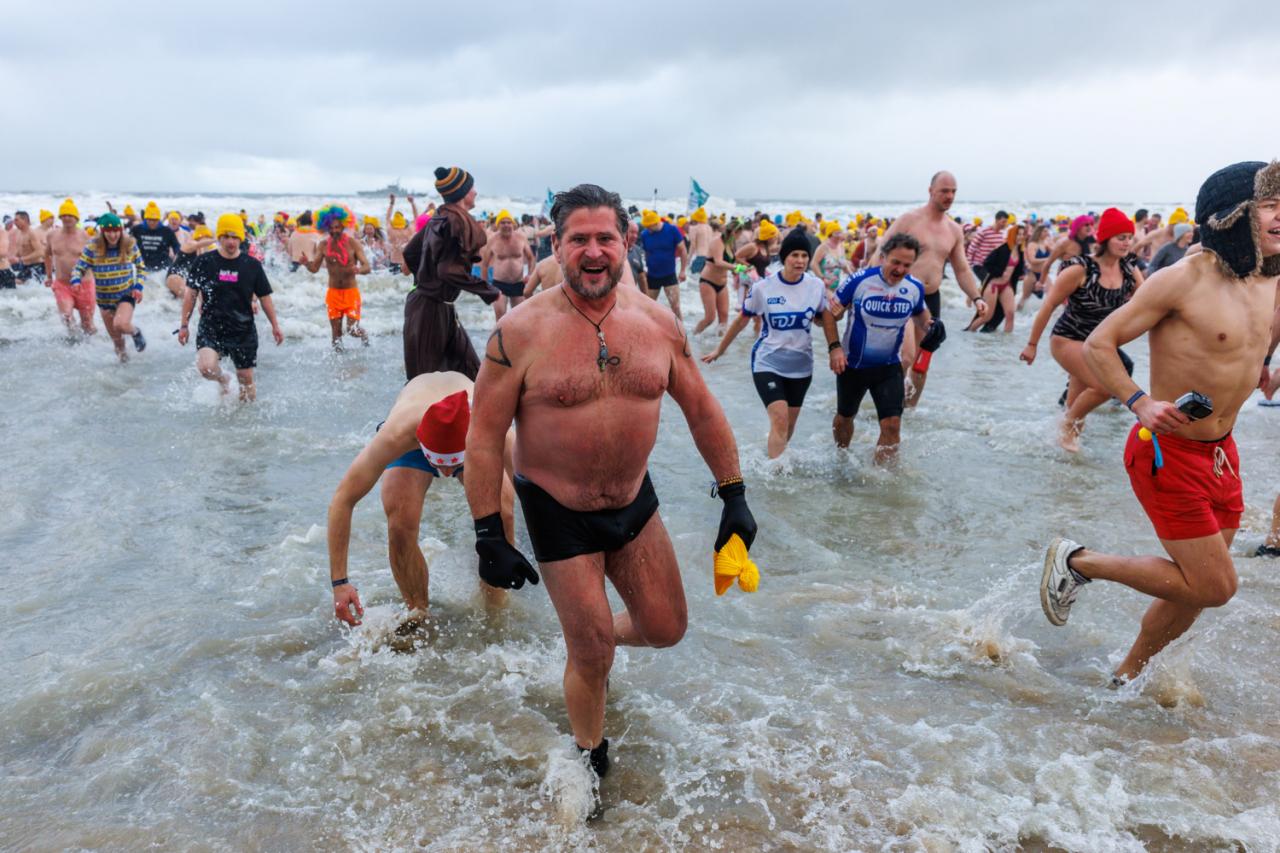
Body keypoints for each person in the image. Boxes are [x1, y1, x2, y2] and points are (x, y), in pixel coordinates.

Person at [463, 184, 756, 778]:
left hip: (633, 503)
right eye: (578, 240)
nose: (592, 252)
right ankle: (590, 757)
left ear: (625, 242)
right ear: (558, 245)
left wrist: (734, 493)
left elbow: (701, 409)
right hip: (556, 507)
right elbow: (483, 436)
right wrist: (488, 533)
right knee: (593, 653)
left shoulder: (658, 323)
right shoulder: (517, 333)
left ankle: (588, 642)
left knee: (666, 628)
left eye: (604, 238)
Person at [1039, 160, 1280, 686]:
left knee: (1193, 588)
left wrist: (1264, 365)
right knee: (1216, 586)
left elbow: (1264, 326)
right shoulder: (1180, 281)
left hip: (1222, 451)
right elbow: (1100, 343)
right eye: (1270, 206)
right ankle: (1080, 561)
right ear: (1232, 216)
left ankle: (1125, 679)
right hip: (1164, 451)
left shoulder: (1271, 278)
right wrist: (1139, 401)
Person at [327, 374, 513, 635]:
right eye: (440, 465)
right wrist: (340, 583)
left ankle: (496, 605)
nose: (447, 475)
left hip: (470, 435)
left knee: (503, 513)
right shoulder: (397, 434)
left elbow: (534, 489)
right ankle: (418, 611)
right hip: (415, 432)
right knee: (400, 524)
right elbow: (342, 500)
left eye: (454, 466)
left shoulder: (492, 426)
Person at [702, 227, 842, 458]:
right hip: (768, 362)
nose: (800, 260)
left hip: (801, 366)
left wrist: (834, 345)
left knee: (787, 427)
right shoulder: (763, 288)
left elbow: (823, 317)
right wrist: (720, 349)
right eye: (794, 255)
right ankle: (775, 473)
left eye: (804, 256)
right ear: (784, 257)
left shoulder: (815, 286)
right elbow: (741, 321)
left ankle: (771, 456)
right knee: (780, 418)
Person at [1020, 208, 1143, 451]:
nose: (1126, 242)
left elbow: (1148, 300)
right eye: (1121, 237)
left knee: (1077, 414)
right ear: (1105, 239)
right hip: (1068, 339)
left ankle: (1062, 464)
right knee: (1106, 387)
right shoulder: (1081, 268)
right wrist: (1032, 344)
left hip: (1098, 344)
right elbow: (1049, 306)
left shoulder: (1129, 268)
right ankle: (1067, 425)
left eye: (1129, 237)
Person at [877, 171, 989, 406]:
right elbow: (880, 253)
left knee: (921, 362)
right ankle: (889, 407)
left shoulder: (954, 230)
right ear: (931, 191)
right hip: (901, 295)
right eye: (944, 191)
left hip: (930, 299)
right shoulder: (909, 220)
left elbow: (961, 269)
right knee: (906, 356)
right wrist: (862, 289)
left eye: (953, 191)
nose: (950, 196)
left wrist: (977, 297)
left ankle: (910, 411)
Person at [828, 233, 935, 463]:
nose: (900, 269)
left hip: (889, 367)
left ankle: (880, 478)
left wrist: (930, 325)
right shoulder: (859, 280)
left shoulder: (914, 286)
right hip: (853, 365)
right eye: (895, 262)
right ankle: (841, 459)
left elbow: (920, 315)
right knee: (844, 418)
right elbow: (829, 315)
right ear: (883, 257)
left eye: (907, 265)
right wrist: (834, 347)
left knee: (892, 425)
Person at [400, 166, 500, 380]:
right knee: (422, 383)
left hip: (437, 307)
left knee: (471, 371)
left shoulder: (439, 216)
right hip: (429, 311)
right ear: (463, 193)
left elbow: (410, 253)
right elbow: (448, 271)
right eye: (472, 188)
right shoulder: (455, 220)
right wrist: (489, 292)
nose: (475, 192)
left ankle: (475, 414)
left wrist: (424, 278)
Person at [178, 213, 284, 401]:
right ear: (219, 237)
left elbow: (265, 297)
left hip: (242, 329)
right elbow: (191, 294)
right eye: (226, 236)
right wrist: (184, 324)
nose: (230, 241)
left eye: (234, 237)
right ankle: (224, 379)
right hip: (211, 326)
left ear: (240, 238)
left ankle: (245, 423)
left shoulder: (251, 265)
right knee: (206, 368)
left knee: (246, 381)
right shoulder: (204, 262)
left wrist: (275, 325)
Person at [70, 212, 146, 361]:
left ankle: (136, 332)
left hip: (125, 294)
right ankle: (125, 367)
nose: (113, 235)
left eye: (116, 230)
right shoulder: (93, 247)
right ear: (103, 232)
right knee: (117, 342)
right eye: (109, 231)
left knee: (121, 324)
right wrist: (76, 280)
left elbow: (141, 268)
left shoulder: (129, 244)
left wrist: (138, 287)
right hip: (104, 300)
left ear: (121, 230)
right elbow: (78, 268)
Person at [302, 204, 371, 349]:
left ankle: (366, 341)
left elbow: (367, 266)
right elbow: (314, 268)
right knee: (336, 334)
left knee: (352, 330)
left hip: (351, 292)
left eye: (337, 227)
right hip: (333, 294)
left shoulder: (353, 244)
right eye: (331, 228)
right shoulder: (323, 245)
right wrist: (306, 264)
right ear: (326, 228)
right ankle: (338, 368)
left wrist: (359, 269)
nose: (334, 231)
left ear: (343, 226)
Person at [44, 199, 97, 335]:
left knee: (87, 324)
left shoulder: (85, 237)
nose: (67, 218)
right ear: (60, 217)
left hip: (84, 284)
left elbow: (96, 261)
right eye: (64, 215)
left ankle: (91, 346)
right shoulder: (52, 235)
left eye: (70, 215)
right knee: (66, 317)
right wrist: (49, 276)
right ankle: (75, 342)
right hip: (62, 284)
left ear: (76, 218)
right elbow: (47, 255)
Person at [968, 224, 1025, 333]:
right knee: (987, 316)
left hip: (1007, 285)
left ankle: (1006, 344)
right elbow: (987, 263)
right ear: (1012, 235)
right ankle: (970, 333)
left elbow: (1018, 270)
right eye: (1018, 234)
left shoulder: (1020, 252)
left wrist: (1021, 274)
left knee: (1010, 315)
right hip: (993, 285)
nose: (1020, 237)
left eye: (1022, 234)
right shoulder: (1002, 249)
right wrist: (1000, 272)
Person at [479, 210, 535, 319]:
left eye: (508, 222)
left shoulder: (521, 238)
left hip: (518, 283)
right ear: (498, 225)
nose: (506, 225)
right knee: (500, 317)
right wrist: (485, 286)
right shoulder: (492, 240)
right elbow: (484, 264)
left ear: (513, 224)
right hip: (499, 284)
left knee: (518, 318)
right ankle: (500, 336)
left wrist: (530, 275)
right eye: (503, 222)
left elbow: (531, 258)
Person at [637, 209, 686, 319]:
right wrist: (644, 268)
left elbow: (683, 250)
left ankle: (681, 334)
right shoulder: (645, 235)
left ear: (655, 223)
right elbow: (646, 253)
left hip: (669, 274)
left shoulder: (672, 230)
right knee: (648, 308)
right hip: (652, 275)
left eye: (649, 227)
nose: (647, 229)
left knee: (676, 307)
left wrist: (683, 270)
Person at [692, 219, 733, 336]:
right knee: (710, 318)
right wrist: (736, 268)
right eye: (737, 234)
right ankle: (693, 337)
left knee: (724, 316)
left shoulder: (730, 244)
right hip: (708, 282)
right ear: (733, 233)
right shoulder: (717, 241)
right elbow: (718, 262)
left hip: (722, 283)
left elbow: (735, 258)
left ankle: (719, 346)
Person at [131, 201, 181, 280]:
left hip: (162, 267)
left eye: (154, 220)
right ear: (146, 219)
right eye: (150, 220)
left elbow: (176, 246)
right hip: (142, 265)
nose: (152, 222)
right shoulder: (137, 229)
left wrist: (177, 259)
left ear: (158, 219)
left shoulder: (166, 231)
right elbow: (128, 244)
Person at [9, 212, 46, 284]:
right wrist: (13, 258)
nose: (14, 222)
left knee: (17, 282)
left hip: (36, 266)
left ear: (25, 220)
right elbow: (21, 250)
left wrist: (20, 259)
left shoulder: (32, 233)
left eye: (16, 220)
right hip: (24, 265)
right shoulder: (19, 233)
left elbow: (40, 252)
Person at [386, 193, 419, 274]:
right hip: (406, 263)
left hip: (394, 262)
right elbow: (416, 217)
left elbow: (387, 217)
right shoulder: (409, 229)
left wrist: (392, 203)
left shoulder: (391, 230)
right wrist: (412, 203)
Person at [685, 206, 713, 282]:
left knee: (693, 280)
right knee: (705, 281)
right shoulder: (709, 228)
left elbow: (693, 245)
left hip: (700, 256)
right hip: (709, 257)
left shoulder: (694, 228)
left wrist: (688, 258)